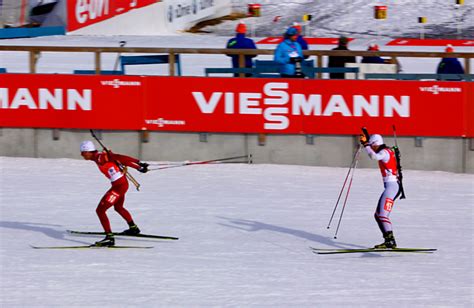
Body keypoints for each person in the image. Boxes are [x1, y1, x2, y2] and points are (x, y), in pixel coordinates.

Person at [80, 140, 149, 246]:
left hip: (119, 186)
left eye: (83, 152)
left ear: (88, 151)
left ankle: (109, 238)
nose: (81, 155)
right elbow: (117, 159)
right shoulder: (98, 157)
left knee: (100, 210)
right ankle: (133, 228)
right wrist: (138, 166)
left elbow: (120, 157)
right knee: (118, 207)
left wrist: (138, 164)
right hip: (120, 184)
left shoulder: (100, 157)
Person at [359, 133, 400, 249]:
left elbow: (374, 157)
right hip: (391, 186)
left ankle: (391, 241)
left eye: (373, 146)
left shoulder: (385, 152)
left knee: (382, 215)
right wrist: (367, 139)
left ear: (376, 144)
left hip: (392, 187)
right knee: (378, 215)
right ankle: (388, 240)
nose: (372, 148)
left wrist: (366, 144)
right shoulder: (385, 150)